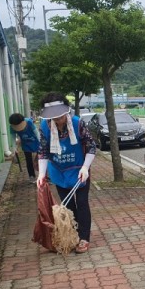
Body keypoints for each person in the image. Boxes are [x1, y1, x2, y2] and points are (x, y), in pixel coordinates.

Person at [36, 92, 97, 254]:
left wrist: (85, 167)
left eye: (60, 116)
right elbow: (43, 151)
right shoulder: (44, 127)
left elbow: (91, 146)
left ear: (66, 112)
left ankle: (84, 238)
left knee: (82, 203)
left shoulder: (77, 124)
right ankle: (75, 234)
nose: (58, 120)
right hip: (59, 172)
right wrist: (41, 174)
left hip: (79, 171)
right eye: (54, 118)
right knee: (68, 206)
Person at [9, 113, 40, 183]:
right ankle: (31, 176)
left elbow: (37, 133)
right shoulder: (12, 127)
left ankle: (45, 176)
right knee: (28, 160)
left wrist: (41, 144)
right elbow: (13, 138)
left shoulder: (29, 122)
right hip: (26, 144)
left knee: (41, 159)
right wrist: (14, 148)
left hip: (36, 142)